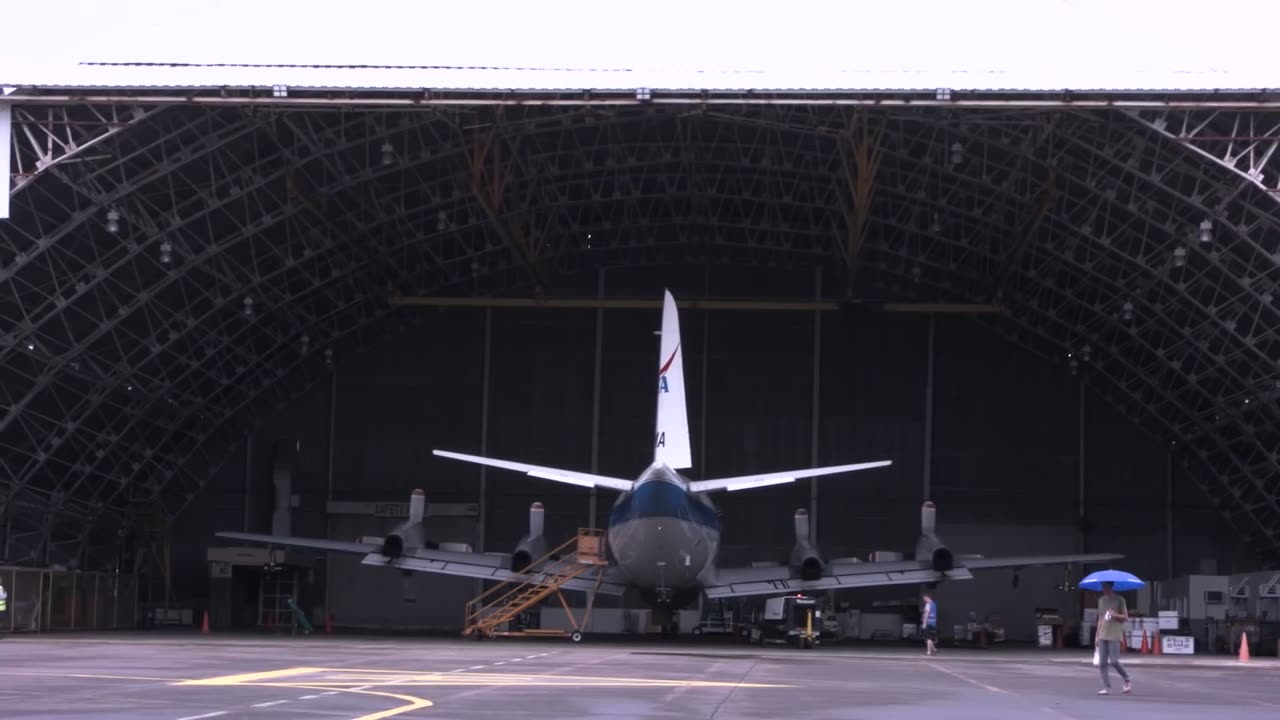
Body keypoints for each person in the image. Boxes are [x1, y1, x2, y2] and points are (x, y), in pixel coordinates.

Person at [1094, 581, 1131, 695]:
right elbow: (1100, 618)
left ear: (1111, 587)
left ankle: (1127, 679)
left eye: (1105, 587)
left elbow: (1125, 617)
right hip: (1103, 634)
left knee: (1114, 661)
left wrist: (1115, 615)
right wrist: (1097, 634)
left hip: (1115, 633)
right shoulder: (1101, 600)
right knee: (1102, 662)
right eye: (1102, 587)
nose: (1104, 589)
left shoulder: (1120, 599)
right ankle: (1107, 687)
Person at [921, 591, 938, 656]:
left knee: (928, 638)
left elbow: (927, 614)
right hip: (933, 623)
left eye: (924, 598)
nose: (923, 599)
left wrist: (924, 623)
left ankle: (929, 652)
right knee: (930, 637)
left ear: (927, 597)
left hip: (928, 622)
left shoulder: (928, 604)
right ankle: (934, 649)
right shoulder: (934, 604)